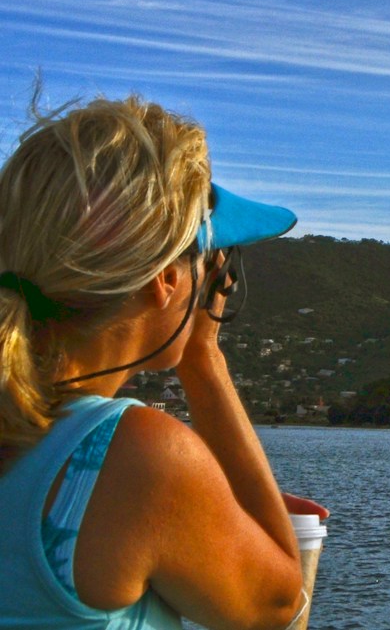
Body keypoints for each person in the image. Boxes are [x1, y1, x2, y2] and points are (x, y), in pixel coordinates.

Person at [0, 94, 314, 630]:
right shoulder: (135, 457)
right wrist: (203, 357)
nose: (224, 281)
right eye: (214, 261)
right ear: (165, 279)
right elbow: (279, 607)